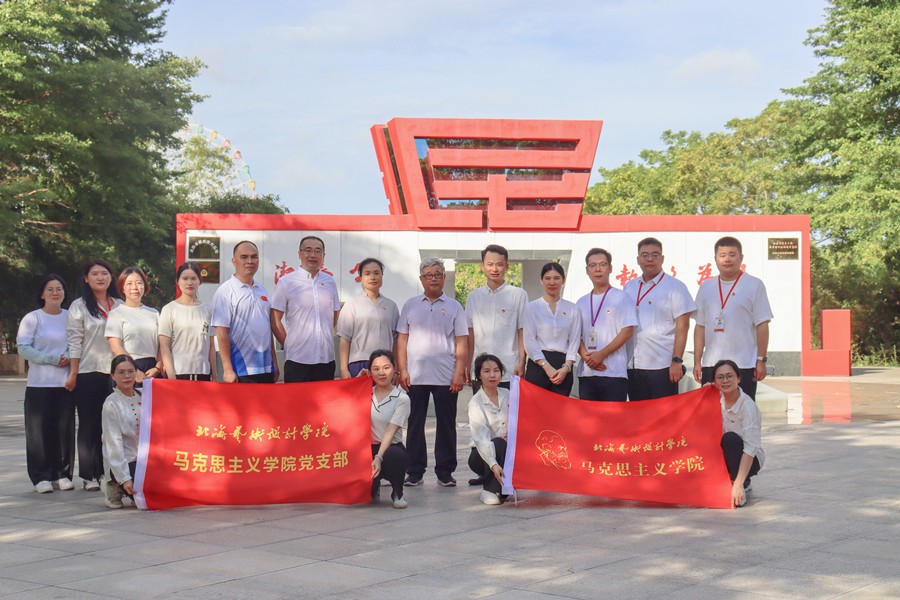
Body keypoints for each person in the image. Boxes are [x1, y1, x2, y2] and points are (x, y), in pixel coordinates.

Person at [396, 258, 468, 487]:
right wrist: (402, 369)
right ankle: (414, 471)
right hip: (415, 375)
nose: (433, 278)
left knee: (446, 424)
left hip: (446, 376)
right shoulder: (410, 305)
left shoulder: (455, 306)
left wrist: (459, 372)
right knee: (415, 423)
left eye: (437, 274)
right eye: (428, 275)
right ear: (421, 279)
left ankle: (445, 472)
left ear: (444, 277)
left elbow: (461, 342)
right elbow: (402, 340)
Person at [693, 236, 773, 400]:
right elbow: (700, 327)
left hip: (744, 364)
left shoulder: (754, 285)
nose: (727, 259)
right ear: (715, 258)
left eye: (732, 254)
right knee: (711, 410)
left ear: (741, 258)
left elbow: (762, 325)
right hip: (711, 364)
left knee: (742, 410)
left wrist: (761, 360)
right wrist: (697, 361)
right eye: (722, 255)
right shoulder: (706, 287)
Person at [66, 259, 122, 490]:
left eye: (104, 273)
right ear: (86, 279)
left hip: (116, 373)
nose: (100, 278)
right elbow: (74, 341)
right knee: (89, 425)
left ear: (111, 277)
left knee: (114, 426)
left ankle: (113, 472)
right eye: (95, 274)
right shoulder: (79, 306)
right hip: (89, 371)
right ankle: (90, 475)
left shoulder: (120, 305)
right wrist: (73, 372)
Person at [17, 275, 75, 493]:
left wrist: (68, 356)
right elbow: (24, 348)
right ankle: (41, 476)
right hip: (39, 384)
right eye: (50, 289)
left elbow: (78, 342)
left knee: (64, 431)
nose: (55, 293)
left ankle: (63, 474)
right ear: (42, 294)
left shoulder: (70, 317)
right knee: (39, 432)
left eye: (59, 289)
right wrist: (51, 358)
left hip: (65, 383)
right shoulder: (33, 318)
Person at [624, 238, 696, 400]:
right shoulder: (629, 287)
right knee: (638, 413)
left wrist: (676, 361)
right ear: (638, 259)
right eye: (645, 255)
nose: (650, 259)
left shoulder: (675, 287)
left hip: (662, 365)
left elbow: (683, 326)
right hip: (633, 364)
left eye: (655, 255)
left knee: (664, 414)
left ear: (662, 258)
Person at [271, 235, 340, 383]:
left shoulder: (330, 282)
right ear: (300, 254)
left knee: (324, 398)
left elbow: (334, 316)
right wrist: (288, 343)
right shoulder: (286, 282)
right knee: (297, 399)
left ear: (323, 255)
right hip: (297, 360)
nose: (313, 255)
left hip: (326, 359)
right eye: (308, 250)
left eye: (317, 251)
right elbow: (275, 320)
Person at [211, 241, 278, 383]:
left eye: (254, 257)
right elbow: (221, 332)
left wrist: (274, 362)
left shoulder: (262, 289)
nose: (250, 261)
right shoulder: (225, 291)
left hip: (266, 368)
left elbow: (267, 329)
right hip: (241, 369)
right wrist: (227, 369)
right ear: (234, 261)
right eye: (244, 257)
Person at [576, 248, 637, 401]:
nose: (597, 269)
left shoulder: (622, 298)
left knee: (613, 416)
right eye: (592, 265)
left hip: (614, 373)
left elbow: (628, 330)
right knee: (588, 416)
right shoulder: (581, 302)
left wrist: (601, 354)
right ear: (587, 270)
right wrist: (588, 358)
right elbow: (575, 335)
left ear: (610, 268)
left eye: (602, 264)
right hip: (587, 373)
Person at [465, 244, 527, 392]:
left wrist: (522, 362)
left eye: (499, 264)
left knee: (509, 407)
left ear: (507, 266)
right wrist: (468, 364)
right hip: (480, 369)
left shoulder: (518, 295)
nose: (494, 269)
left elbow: (522, 331)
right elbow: (470, 333)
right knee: (480, 407)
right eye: (490, 264)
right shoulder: (474, 297)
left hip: (509, 368)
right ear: (482, 266)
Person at [523, 262, 581, 397]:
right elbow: (529, 340)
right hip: (538, 365)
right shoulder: (532, 308)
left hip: (563, 366)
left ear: (563, 280)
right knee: (537, 407)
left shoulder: (573, 308)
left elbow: (575, 340)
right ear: (541, 281)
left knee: (560, 408)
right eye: (547, 278)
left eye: (556, 278)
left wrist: (566, 367)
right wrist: (546, 366)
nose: (552, 282)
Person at [713, 359, 764, 507]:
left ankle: (740, 482)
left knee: (730, 439)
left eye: (730, 376)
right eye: (720, 377)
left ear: (739, 379)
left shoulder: (747, 407)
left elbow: (750, 449)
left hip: (749, 458)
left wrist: (738, 484)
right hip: (724, 454)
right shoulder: (714, 399)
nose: (725, 381)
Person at [337, 258, 399, 378]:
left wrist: (396, 368)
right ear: (361, 277)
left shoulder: (391, 306)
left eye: (376, 273)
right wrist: (344, 369)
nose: (372, 277)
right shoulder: (352, 304)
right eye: (367, 273)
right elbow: (344, 339)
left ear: (382, 276)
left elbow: (396, 339)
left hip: (385, 364)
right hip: (359, 362)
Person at [366, 349, 410, 509]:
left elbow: (391, 431)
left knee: (395, 456)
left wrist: (378, 457)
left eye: (386, 367)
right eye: (376, 369)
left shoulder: (402, 398)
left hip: (390, 446)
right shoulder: (364, 394)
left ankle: (398, 492)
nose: (381, 373)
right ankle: (373, 487)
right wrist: (357, 381)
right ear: (370, 372)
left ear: (394, 369)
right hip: (367, 448)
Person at [159, 262, 218, 381]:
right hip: (178, 374)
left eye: (193, 278)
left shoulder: (208, 310)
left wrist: (215, 375)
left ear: (199, 281)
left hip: (203, 374)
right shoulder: (169, 309)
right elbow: (165, 347)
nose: (189, 283)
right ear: (178, 281)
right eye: (185, 279)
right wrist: (172, 378)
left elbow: (211, 345)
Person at [467, 353, 510, 506]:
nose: (492, 375)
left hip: (507, 453)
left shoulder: (508, 394)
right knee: (498, 443)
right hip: (482, 455)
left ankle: (506, 486)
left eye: (496, 370)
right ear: (479, 375)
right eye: (486, 371)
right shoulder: (476, 402)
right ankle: (489, 490)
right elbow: (481, 439)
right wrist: (493, 463)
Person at [106, 267, 161, 382]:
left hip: (152, 370)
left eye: (139, 283)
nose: (135, 287)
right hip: (127, 368)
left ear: (144, 286)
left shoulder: (154, 313)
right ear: (122, 288)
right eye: (129, 284)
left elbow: (162, 345)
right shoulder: (116, 313)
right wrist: (134, 371)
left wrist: (158, 367)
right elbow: (116, 347)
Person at [102, 354, 142, 509]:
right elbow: (113, 444)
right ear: (113, 376)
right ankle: (115, 484)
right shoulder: (111, 404)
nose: (127, 376)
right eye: (121, 372)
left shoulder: (146, 395)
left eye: (131, 371)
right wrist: (124, 478)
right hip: (126, 460)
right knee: (146, 497)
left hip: (147, 459)